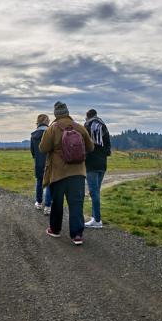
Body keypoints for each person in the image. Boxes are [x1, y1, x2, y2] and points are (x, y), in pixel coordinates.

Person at [39, 101, 94, 245]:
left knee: (57, 203)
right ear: (67, 112)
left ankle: (55, 229)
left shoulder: (52, 128)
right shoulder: (79, 127)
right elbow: (91, 147)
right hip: (78, 172)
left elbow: (43, 148)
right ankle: (77, 235)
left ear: (56, 114)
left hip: (58, 173)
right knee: (76, 204)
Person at [83, 109, 111, 228]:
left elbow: (84, 145)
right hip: (102, 163)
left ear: (87, 116)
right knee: (96, 191)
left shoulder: (87, 126)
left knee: (93, 192)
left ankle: (97, 220)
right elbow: (108, 149)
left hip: (91, 163)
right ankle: (95, 218)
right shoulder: (103, 126)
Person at [30, 114, 51, 210]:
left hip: (38, 162)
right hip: (50, 162)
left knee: (39, 181)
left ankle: (38, 202)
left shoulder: (33, 135)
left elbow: (32, 151)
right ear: (46, 121)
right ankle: (48, 206)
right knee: (49, 183)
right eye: (48, 120)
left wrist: (37, 158)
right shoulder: (50, 133)